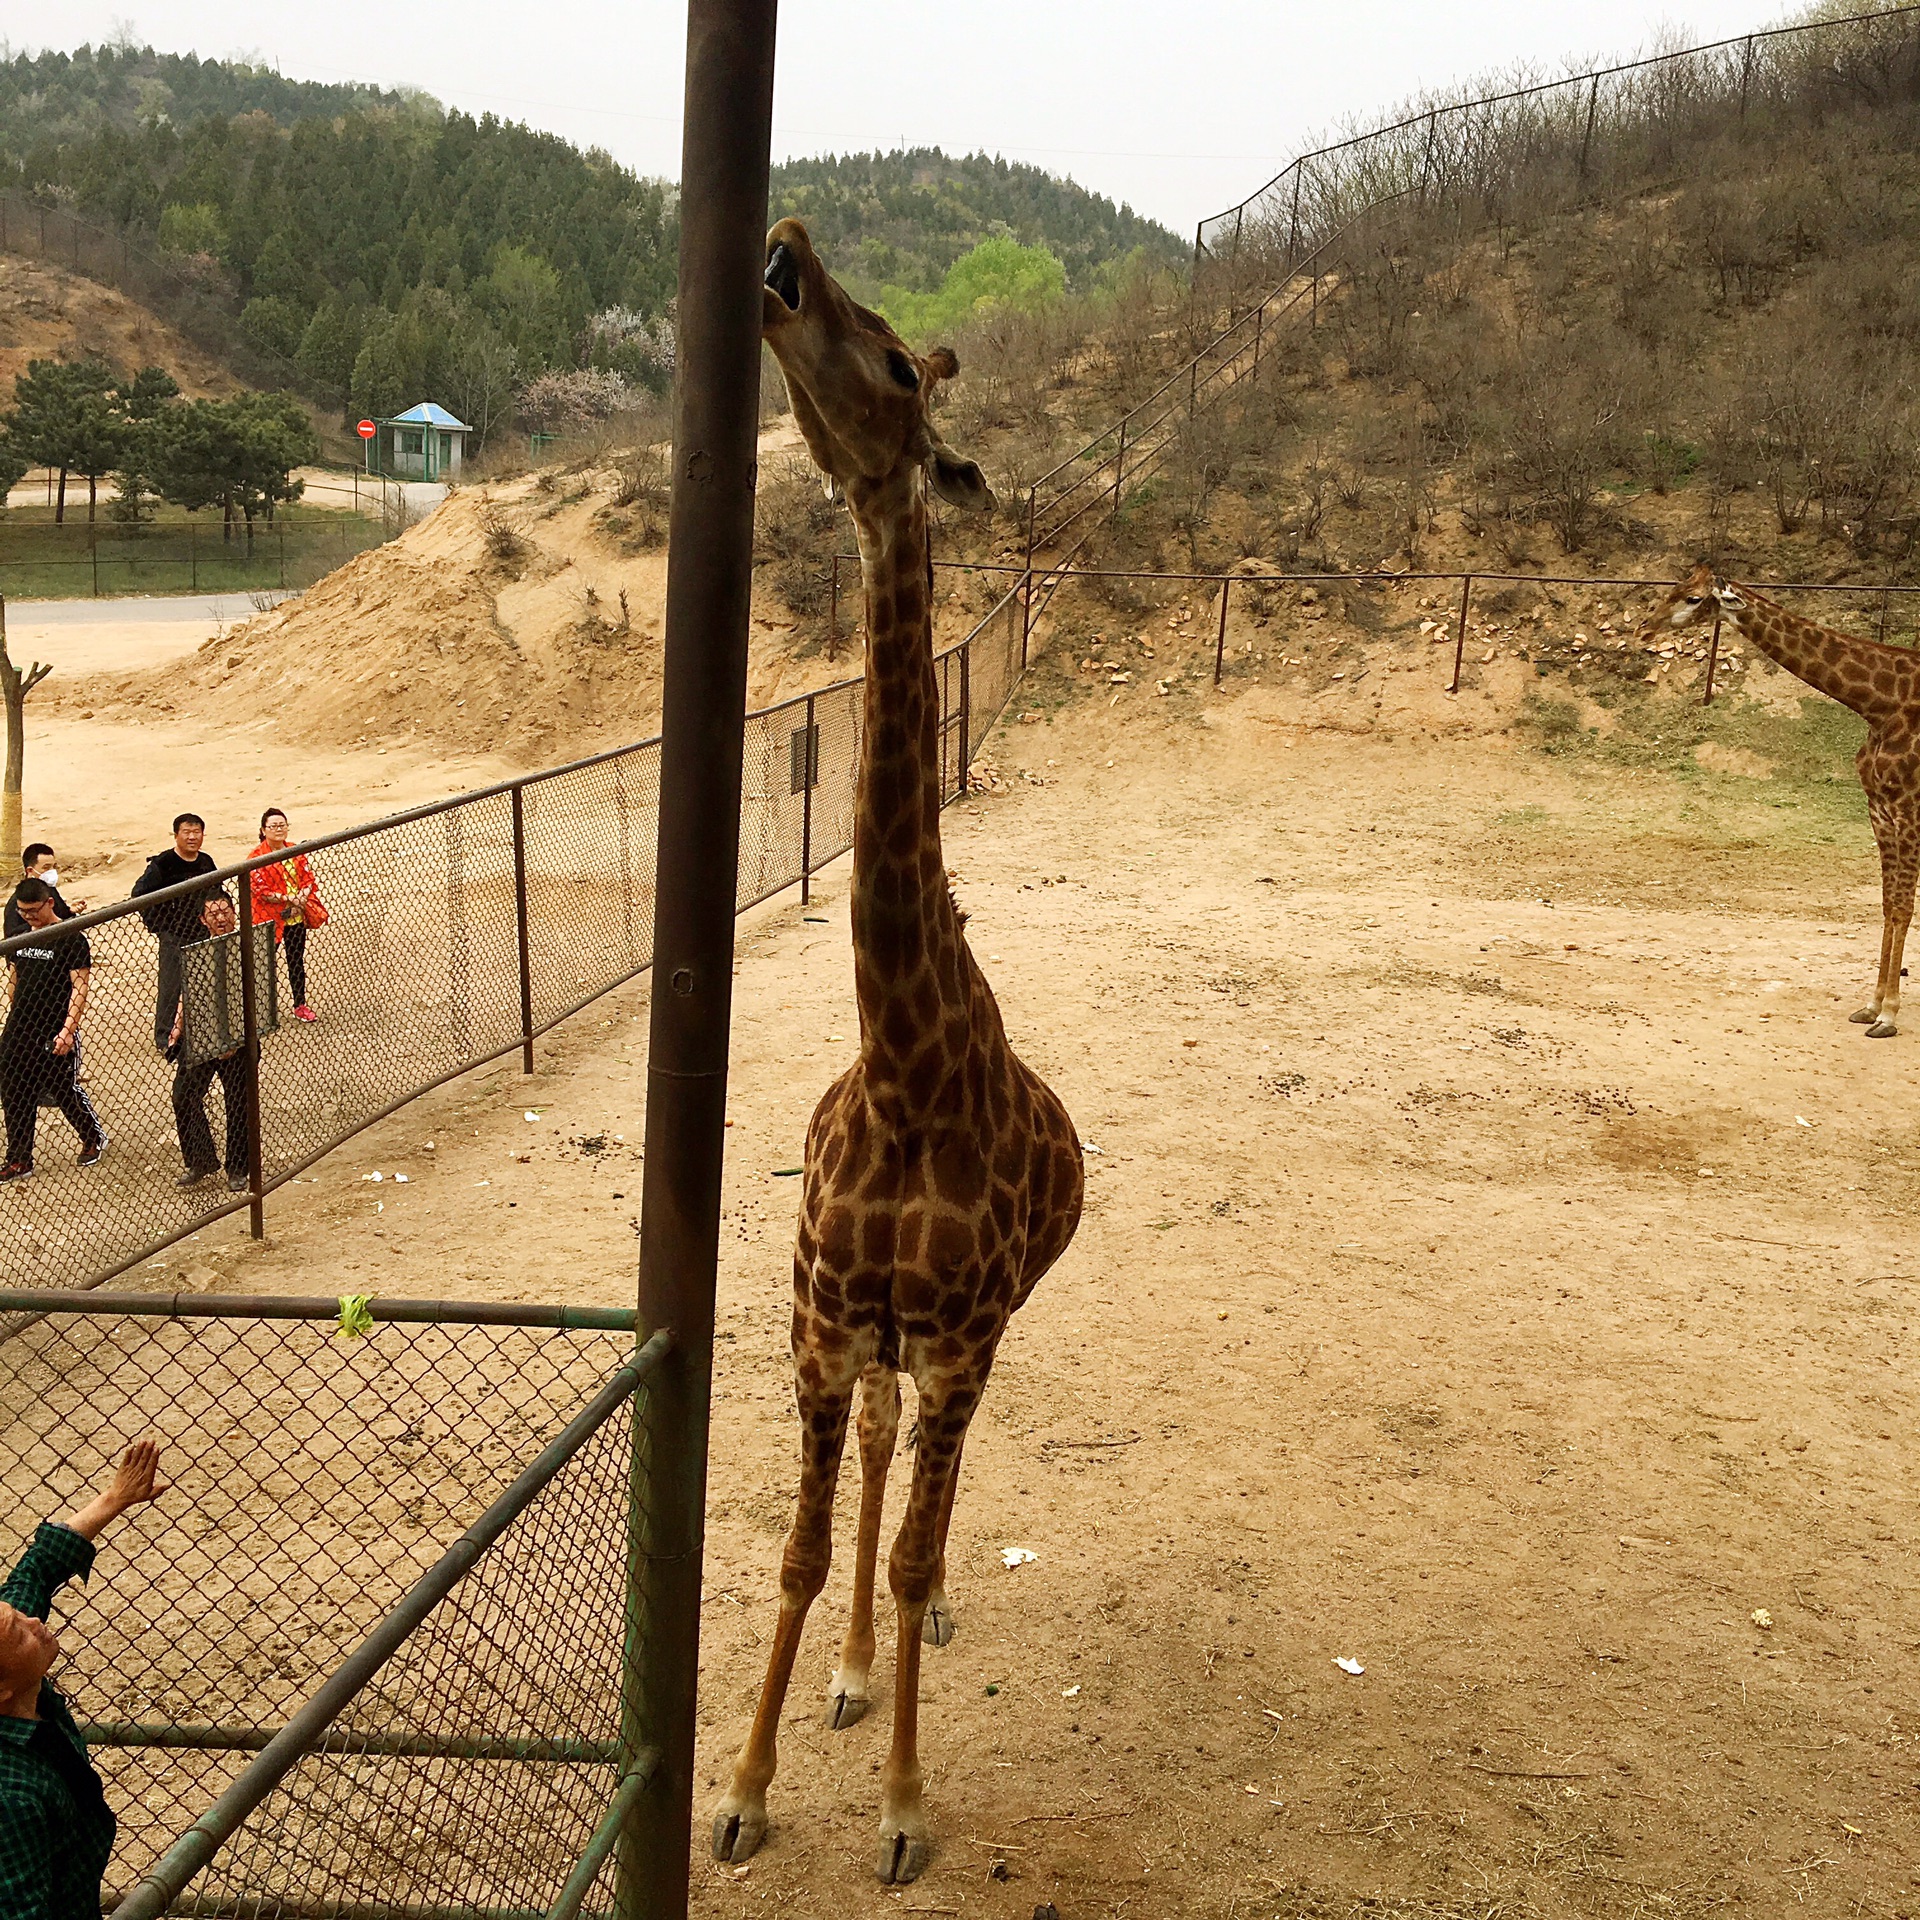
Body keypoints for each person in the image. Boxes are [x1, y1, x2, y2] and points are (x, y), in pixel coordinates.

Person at [0, 1440, 170, 1920]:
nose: (35, 1621)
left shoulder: (17, 1685)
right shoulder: (9, 1800)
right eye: (20, 1631)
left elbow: (34, 1573)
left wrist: (114, 1499)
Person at [0, 879, 105, 1183]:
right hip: (19, 1028)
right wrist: (15, 1007)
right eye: (22, 911)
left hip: (55, 1028)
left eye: (33, 911)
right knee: (14, 1091)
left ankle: (91, 1136)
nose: (28, 916)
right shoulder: (19, 936)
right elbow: (14, 978)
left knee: (62, 1089)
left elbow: (79, 987)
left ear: (49, 903)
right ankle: (19, 1158)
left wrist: (68, 1030)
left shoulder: (70, 938)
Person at [165, 891, 251, 1193]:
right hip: (201, 1034)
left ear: (233, 913)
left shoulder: (245, 947)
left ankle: (239, 1167)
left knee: (238, 1100)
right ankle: (200, 1159)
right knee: (184, 1094)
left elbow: (255, 998)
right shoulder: (196, 951)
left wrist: (235, 1038)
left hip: (237, 1038)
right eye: (213, 914)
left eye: (225, 911)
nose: (221, 918)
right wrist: (178, 1026)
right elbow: (186, 991)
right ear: (203, 920)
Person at [129, 815, 216, 1052]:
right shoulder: (163, 864)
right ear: (176, 834)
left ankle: (197, 1032)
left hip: (201, 932)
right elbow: (139, 894)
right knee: (171, 986)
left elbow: (216, 893)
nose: (192, 837)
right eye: (186, 831)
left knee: (201, 984)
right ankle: (165, 1037)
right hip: (174, 935)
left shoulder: (206, 862)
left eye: (196, 831)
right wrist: (158, 924)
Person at [248, 808, 324, 1024]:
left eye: (282, 825)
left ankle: (300, 1004)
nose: (279, 829)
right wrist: (291, 898)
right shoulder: (256, 858)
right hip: (269, 919)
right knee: (264, 964)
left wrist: (302, 897)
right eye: (273, 826)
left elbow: (308, 878)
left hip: (295, 916)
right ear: (263, 830)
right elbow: (260, 891)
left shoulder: (294, 851)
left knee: (296, 961)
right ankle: (261, 1009)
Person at [3, 848, 85, 942]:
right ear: (30, 870)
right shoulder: (17, 901)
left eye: (53, 867)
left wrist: (71, 911)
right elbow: (11, 937)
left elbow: (61, 915)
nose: (52, 872)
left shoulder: (50, 890)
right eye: (46, 868)